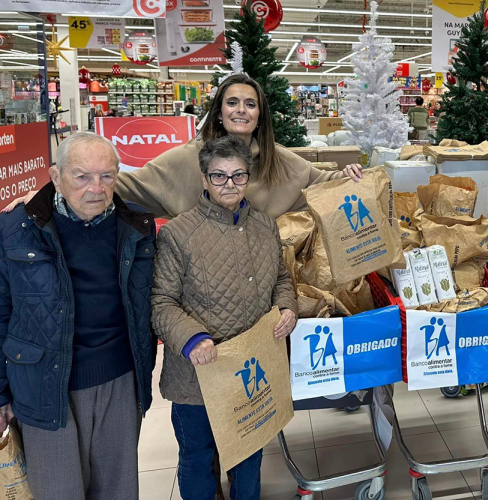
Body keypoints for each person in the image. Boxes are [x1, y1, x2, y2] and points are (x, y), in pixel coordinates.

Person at [0, 133, 157, 499]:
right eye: (82, 176)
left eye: (106, 176)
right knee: (58, 491)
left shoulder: (137, 227)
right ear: (56, 177)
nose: (96, 188)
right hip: (44, 384)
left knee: (118, 491)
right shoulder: (15, 228)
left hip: (119, 378)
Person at [151, 135, 298, 500]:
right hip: (197, 376)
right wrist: (192, 339)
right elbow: (161, 302)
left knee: (249, 456)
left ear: (249, 177)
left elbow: (281, 278)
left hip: (251, 370)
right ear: (204, 179)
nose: (229, 184)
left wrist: (287, 306)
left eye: (238, 175)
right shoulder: (178, 234)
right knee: (197, 458)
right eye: (219, 176)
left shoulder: (265, 227)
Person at [2, 74, 364, 218]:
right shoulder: (187, 158)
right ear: (219, 111)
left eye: (250, 104)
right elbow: (124, 183)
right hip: (203, 282)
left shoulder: (278, 161)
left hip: (264, 280)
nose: (241, 110)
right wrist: (47, 192)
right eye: (232, 102)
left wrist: (350, 175)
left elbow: (321, 183)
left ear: (260, 115)